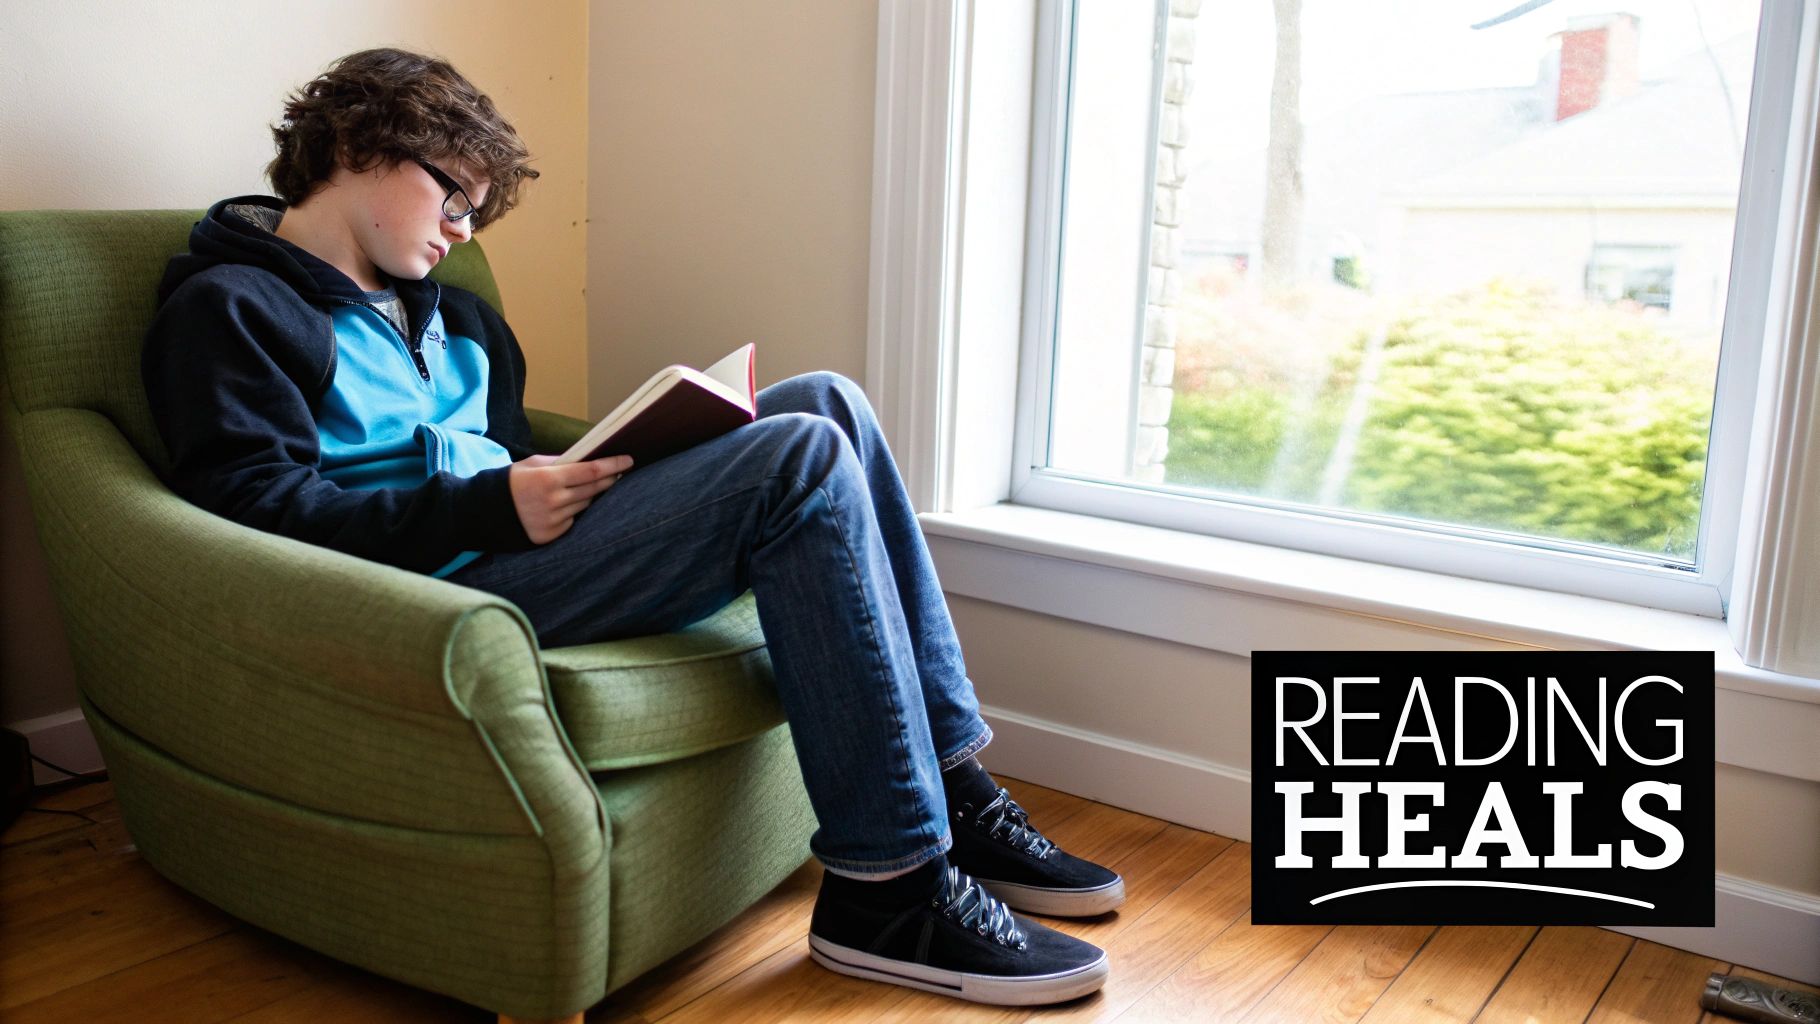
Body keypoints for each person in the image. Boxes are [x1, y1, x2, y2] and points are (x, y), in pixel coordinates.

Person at [140, 47, 1125, 1007]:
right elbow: (255, 512)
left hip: (519, 552)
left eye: (474, 213)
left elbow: (513, 454)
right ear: (356, 143)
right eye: (451, 197)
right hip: (426, 598)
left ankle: (953, 789)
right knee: (799, 460)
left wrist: (609, 463)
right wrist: (490, 506)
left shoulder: (460, 319)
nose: (459, 228)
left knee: (827, 404)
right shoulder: (231, 305)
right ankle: (887, 893)